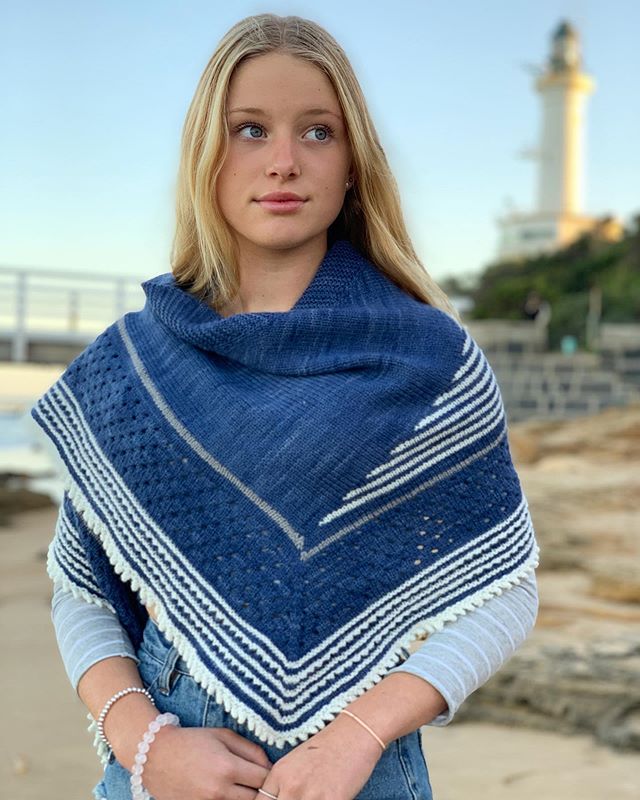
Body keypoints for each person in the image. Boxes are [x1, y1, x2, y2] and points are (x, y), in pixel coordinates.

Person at [32, 13, 539, 800]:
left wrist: (356, 738)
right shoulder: (136, 363)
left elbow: (505, 593)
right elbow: (82, 587)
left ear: (353, 164)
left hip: (360, 771)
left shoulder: (431, 362)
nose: (283, 161)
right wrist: (145, 744)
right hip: (165, 764)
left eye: (317, 132)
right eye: (249, 130)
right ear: (206, 153)